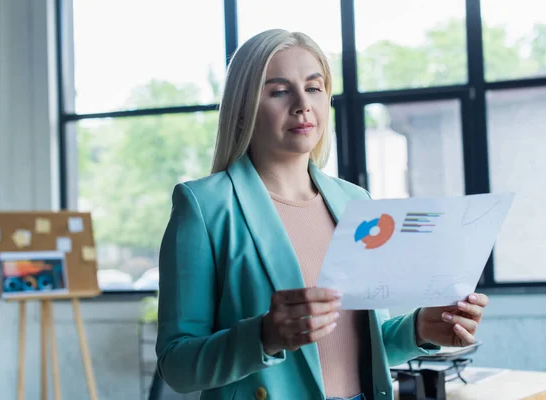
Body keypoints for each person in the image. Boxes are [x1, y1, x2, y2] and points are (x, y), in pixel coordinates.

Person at [156, 29, 489, 400]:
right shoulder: (203, 205)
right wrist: (263, 337)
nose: (302, 104)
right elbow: (176, 366)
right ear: (241, 108)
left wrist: (418, 329)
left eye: (314, 88)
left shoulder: (353, 201)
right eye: (279, 90)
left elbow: (359, 346)